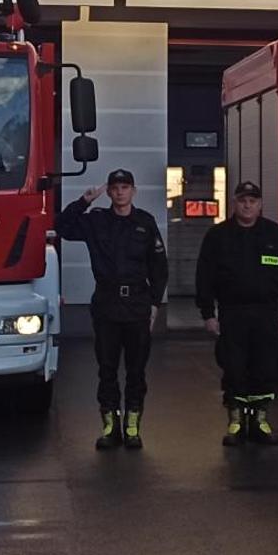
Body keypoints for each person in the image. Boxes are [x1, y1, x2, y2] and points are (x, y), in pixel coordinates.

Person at [57, 169, 168, 451]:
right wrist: (84, 201)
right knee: (107, 369)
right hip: (107, 305)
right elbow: (62, 227)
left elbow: (159, 267)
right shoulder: (96, 221)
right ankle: (110, 426)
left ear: (133, 191)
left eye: (125, 187)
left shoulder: (145, 222)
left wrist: (155, 304)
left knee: (136, 370)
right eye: (115, 187)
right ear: (108, 192)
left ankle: (132, 426)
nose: (120, 192)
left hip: (137, 306)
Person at [196, 181, 278, 447]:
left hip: (266, 313)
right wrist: (208, 313)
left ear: (260, 204)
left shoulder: (274, 235)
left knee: (265, 366)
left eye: (252, 201)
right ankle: (236, 420)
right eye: (242, 201)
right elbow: (204, 277)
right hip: (232, 312)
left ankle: (260, 420)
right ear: (234, 203)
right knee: (234, 367)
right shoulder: (218, 236)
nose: (247, 206)